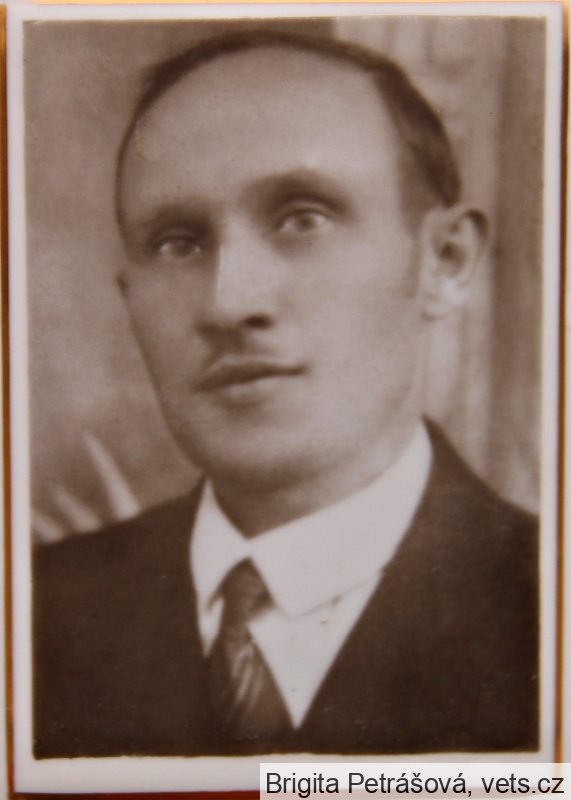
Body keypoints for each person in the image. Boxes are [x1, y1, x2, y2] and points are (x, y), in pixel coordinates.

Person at [33, 29, 538, 759]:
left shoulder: (544, 611)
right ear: (129, 297)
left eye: (304, 219)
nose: (229, 302)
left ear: (445, 262)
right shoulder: (32, 615)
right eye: (178, 242)